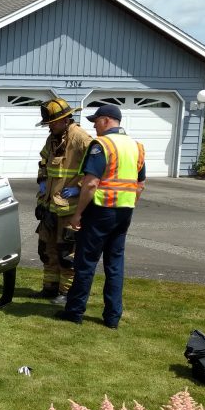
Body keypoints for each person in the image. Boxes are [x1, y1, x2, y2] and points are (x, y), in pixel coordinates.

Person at [57, 104, 146, 328]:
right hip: (124, 213)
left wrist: (78, 214)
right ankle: (112, 317)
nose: (94, 125)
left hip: (100, 212)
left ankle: (75, 312)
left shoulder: (102, 145)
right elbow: (140, 184)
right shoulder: (137, 146)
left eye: (96, 120)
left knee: (85, 262)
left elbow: (91, 184)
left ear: (106, 120)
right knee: (115, 265)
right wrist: (128, 205)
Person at [34, 98, 93, 305]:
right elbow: (43, 160)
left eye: (52, 123)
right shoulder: (52, 138)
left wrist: (78, 187)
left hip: (69, 208)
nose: (49, 126)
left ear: (65, 119)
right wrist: (42, 180)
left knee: (66, 252)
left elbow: (96, 167)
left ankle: (66, 292)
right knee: (47, 248)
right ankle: (49, 288)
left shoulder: (80, 138)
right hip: (49, 205)